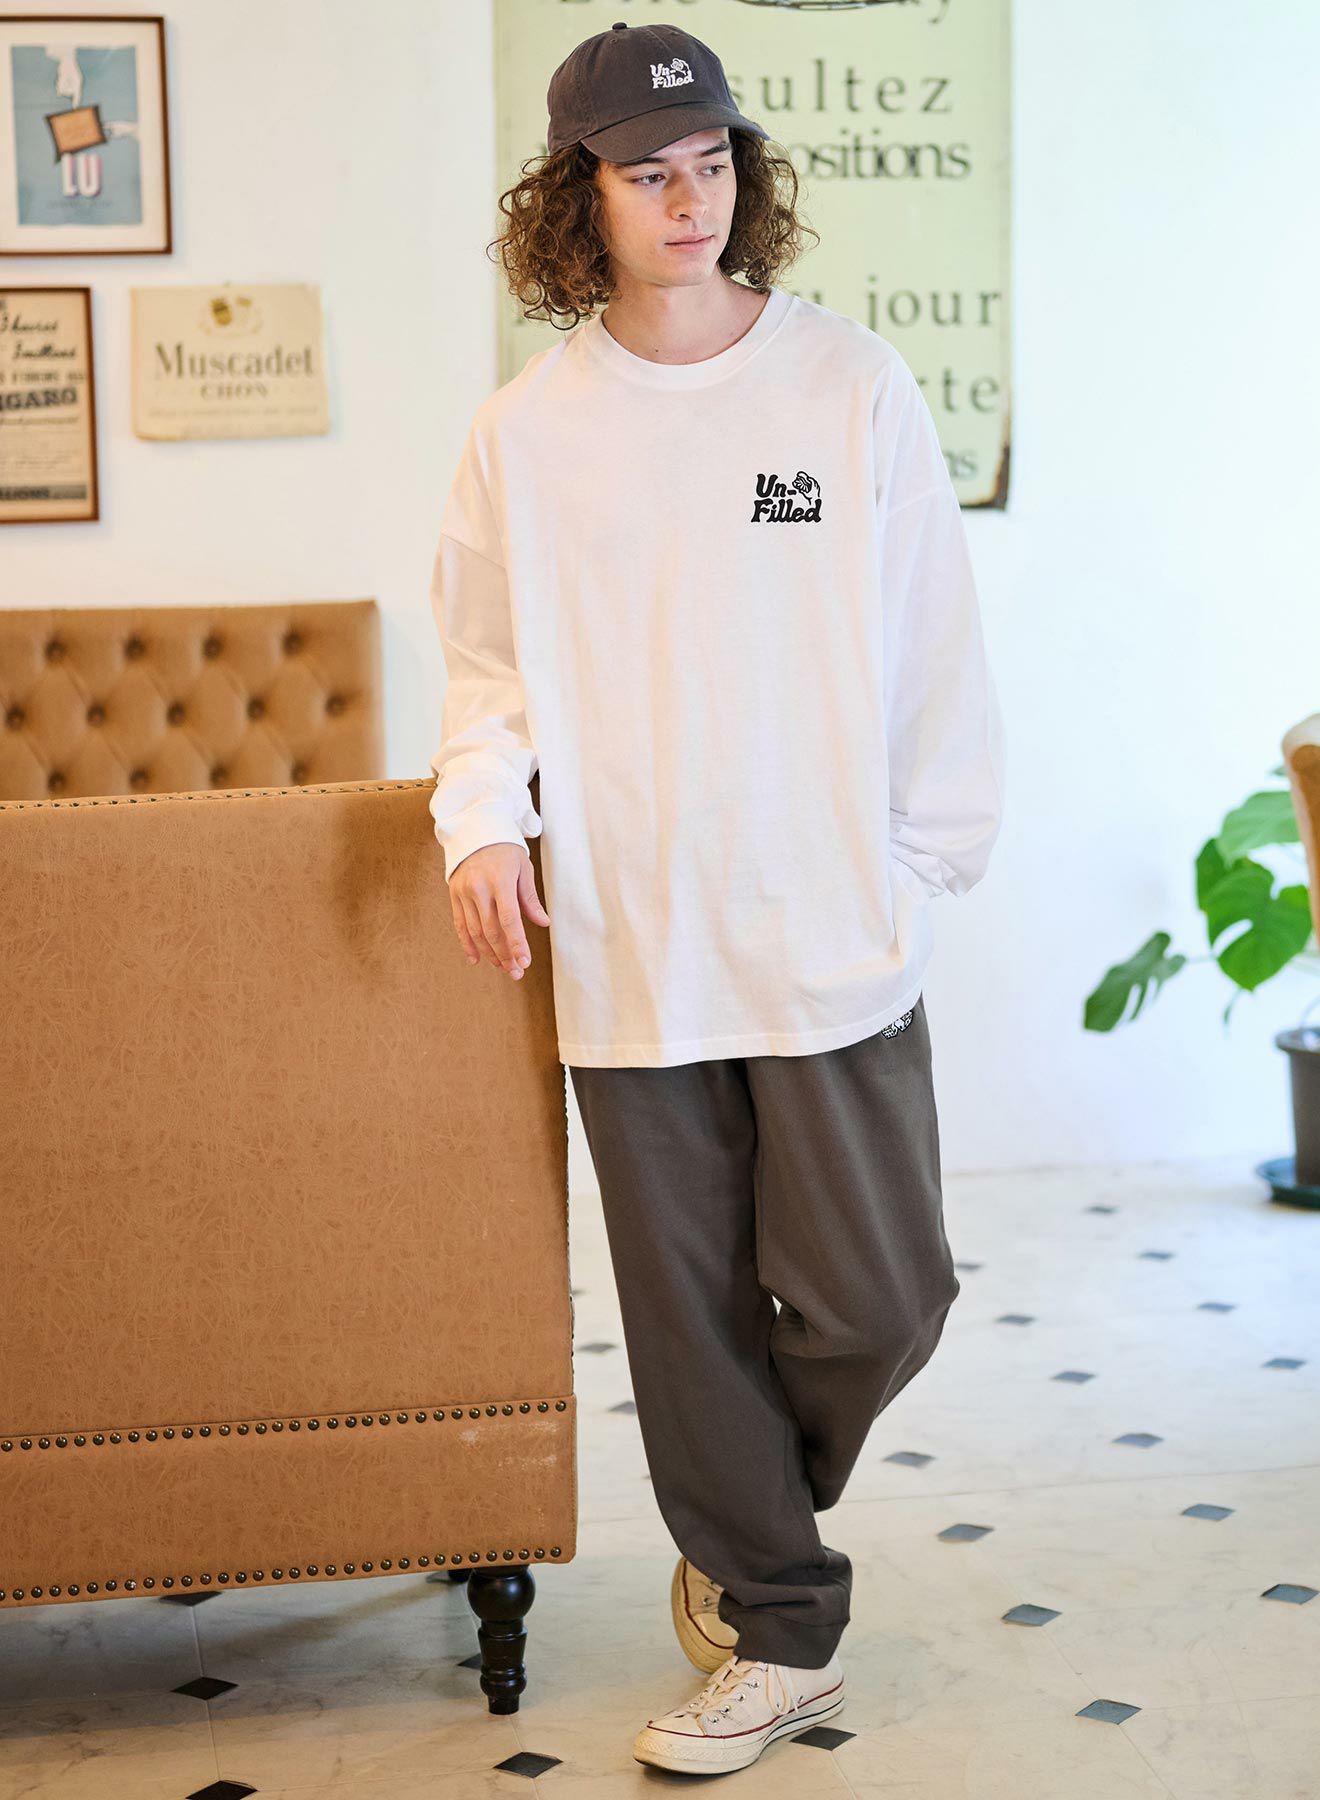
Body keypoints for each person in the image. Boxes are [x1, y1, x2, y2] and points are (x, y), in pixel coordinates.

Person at [426, 19, 1005, 1777]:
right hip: (632, 937)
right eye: (647, 175)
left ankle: (744, 1506)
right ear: (578, 201)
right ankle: (779, 1622)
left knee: (885, 1296)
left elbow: (930, 636)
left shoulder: (849, 385)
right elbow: (485, 672)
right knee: (685, 1323)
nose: (691, 201)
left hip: (829, 927)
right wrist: (481, 824)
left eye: (711, 164)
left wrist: (922, 855)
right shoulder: (528, 434)